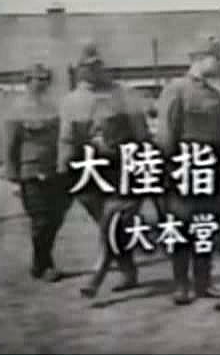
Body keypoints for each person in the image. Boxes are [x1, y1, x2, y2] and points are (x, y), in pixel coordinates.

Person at [58, 41, 149, 298]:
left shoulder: (124, 95)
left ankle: (95, 279)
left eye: (97, 65)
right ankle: (128, 271)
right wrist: (63, 169)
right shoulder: (71, 101)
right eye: (86, 66)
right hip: (90, 172)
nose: (92, 70)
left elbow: (141, 134)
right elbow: (66, 138)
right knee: (112, 226)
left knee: (112, 222)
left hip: (123, 168)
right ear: (78, 69)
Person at [156, 36, 220, 305]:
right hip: (183, 168)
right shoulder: (176, 89)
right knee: (181, 226)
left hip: (210, 170)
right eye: (215, 58)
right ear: (199, 59)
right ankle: (181, 284)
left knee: (205, 227)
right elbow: (166, 133)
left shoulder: (215, 95)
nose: (219, 63)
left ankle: (204, 282)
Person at [5, 63, 73, 282]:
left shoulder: (53, 107)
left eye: (46, 79)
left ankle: (40, 263)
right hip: (31, 171)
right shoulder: (17, 109)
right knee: (41, 220)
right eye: (38, 79)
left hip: (55, 170)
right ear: (28, 81)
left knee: (56, 217)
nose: (43, 83)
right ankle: (44, 265)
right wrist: (13, 176)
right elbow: (10, 145)